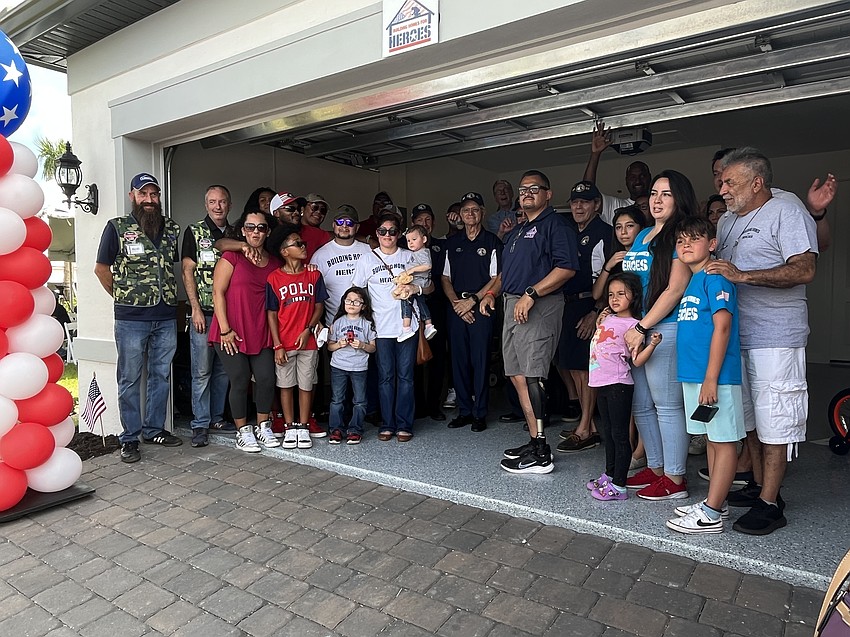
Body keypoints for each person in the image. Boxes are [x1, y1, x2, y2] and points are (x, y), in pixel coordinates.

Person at [706, 147, 818, 535]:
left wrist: (743, 276)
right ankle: (757, 485)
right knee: (750, 419)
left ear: (756, 183)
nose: (722, 189)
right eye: (721, 182)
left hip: (776, 336)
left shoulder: (786, 210)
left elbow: (804, 269)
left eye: (730, 182)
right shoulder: (727, 221)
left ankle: (771, 503)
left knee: (776, 421)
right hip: (737, 336)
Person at [481, 170, 579, 474]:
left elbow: (566, 268)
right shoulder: (518, 230)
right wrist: (490, 294)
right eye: (523, 189)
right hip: (513, 305)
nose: (527, 193)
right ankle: (536, 440)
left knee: (534, 376)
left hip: (539, 305)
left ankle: (542, 454)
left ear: (548, 194)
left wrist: (531, 293)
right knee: (517, 375)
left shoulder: (556, 226)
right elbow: (505, 274)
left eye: (534, 188)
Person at [94, 173, 183, 463]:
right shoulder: (117, 228)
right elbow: (101, 269)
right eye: (143, 194)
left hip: (166, 315)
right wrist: (123, 297)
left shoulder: (172, 228)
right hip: (131, 318)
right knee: (130, 378)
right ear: (132, 196)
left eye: (153, 194)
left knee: (161, 374)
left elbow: (169, 267)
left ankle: (154, 429)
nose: (149, 199)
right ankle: (129, 438)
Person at [666, 216, 744, 534]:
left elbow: (722, 327)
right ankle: (717, 502)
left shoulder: (715, 277)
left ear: (712, 244)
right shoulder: (694, 279)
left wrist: (711, 378)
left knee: (723, 442)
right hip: (695, 375)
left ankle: (710, 514)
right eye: (680, 240)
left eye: (694, 239)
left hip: (715, 378)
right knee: (712, 439)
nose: (685, 244)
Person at [623, 170, 698, 500]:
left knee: (667, 406)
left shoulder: (680, 235)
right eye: (654, 193)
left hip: (663, 328)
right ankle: (655, 469)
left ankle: (675, 478)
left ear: (679, 198)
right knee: (641, 405)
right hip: (636, 329)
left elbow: (675, 289)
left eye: (666, 194)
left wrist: (642, 327)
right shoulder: (643, 235)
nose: (657, 199)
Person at [208, 210, 280, 453]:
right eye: (250, 227)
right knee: (239, 378)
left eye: (261, 227)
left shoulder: (274, 263)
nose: (255, 232)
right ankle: (243, 431)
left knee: (267, 378)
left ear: (267, 232)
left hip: (260, 329)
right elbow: (217, 292)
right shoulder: (232, 257)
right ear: (243, 230)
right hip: (230, 330)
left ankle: (263, 426)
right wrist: (225, 330)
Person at [586, 272, 660, 501]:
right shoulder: (608, 318)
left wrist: (652, 345)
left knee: (619, 435)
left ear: (634, 296)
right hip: (601, 383)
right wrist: (601, 319)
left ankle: (619, 485)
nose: (614, 298)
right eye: (611, 294)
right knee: (608, 433)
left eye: (621, 294)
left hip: (619, 384)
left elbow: (636, 361)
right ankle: (610, 475)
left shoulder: (635, 326)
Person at [352, 213, 424, 442]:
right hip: (380, 327)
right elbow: (357, 291)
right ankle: (387, 423)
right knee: (385, 377)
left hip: (407, 326)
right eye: (382, 231)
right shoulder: (367, 259)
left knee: (406, 377)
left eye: (392, 231)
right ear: (377, 233)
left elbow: (429, 285)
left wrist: (415, 288)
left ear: (399, 234)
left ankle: (404, 424)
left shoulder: (409, 256)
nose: (387, 235)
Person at [555, 181, 611, 453]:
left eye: (585, 202)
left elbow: (614, 278)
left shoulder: (605, 233)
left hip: (590, 306)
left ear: (596, 205)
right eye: (575, 202)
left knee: (585, 368)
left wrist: (596, 312)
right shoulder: (568, 232)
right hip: (568, 305)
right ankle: (588, 424)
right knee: (573, 366)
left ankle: (586, 428)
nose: (578, 207)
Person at [180, 185, 236, 448]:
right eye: (212, 202)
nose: (217, 206)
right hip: (204, 314)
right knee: (201, 371)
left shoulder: (237, 234)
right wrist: (195, 309)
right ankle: (200, 423)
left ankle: (216, 418)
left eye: (222, 201)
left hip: (229, 317)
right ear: (206, 205)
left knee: (223, 370)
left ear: (229, 205)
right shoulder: (194, 231)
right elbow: (187, 271)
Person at [442, 191, 501, 432]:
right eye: (466, 210)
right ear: (460, 214)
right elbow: (445, 278)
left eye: (475, 209)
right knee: (458, 361)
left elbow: (497, 278)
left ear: (482, 213)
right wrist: (457, 304)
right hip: (456, 307)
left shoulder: (492, 242)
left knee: (480, 360)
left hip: (481, 308)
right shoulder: (452, 243)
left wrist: (473, 301)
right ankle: (464, 411)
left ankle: (480, 413)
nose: (470, 214)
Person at [266, 224, 328, 450]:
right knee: (285, 385)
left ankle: (303, 426)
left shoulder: (314, 275)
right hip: (284, 341)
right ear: (285, 251)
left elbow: (319, 306)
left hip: (308, 342)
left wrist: (308, 329)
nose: (304, 247)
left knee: (306, 385)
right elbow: (272, 314)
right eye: (298, 244)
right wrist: (277, 344)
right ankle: (289, 426)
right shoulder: (274, 278)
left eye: (303, 243)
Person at [327, 287, 377, 444]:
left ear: (363, 305)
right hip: (338, 365)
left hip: (359, 367)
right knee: (337, 399)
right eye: (348, 300)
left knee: (360, 400)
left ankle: (355, 429)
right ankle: (336, 429)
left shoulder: (367, 323)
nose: (351, 304)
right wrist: (339, 344)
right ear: (343, 302)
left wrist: (362, 345)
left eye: (356, 301)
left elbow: (373, 348)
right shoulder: (337, 322)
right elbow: (329, 346)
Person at [311, 205, 372, 326]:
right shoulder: (320, 255)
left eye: (349, 223)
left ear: (357, 227)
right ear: (333, 225)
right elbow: (312, 294)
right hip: (335, 325)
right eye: (340, 222)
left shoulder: (369, 250)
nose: (344, 226)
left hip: (367, 325)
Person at [583, 121, 652, 223]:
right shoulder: (617, 206)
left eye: (642, 176)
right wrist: (595, 154)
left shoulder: (659, 205)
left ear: (650, 178)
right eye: (632, 177)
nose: (638, 181)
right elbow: (586, 191)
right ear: (626, 181)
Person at [396, 225, 436, 342]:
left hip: (418, 281)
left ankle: (406, 328)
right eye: (408, 240)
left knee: (405, 299)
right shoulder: (416, 253)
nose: (411, 243)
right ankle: (428, 324)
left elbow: (427, 266)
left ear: (424, 239)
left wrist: (410, 271)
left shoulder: (422, 252)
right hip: (418, 282)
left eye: (414, 239)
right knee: (421, 303)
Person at [269, 191, 331, 261]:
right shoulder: (266, 233)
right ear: (276, 213)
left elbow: (336, 239)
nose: (296, 212)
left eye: (298, 209)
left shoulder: (310, 231)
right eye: (290, 209)